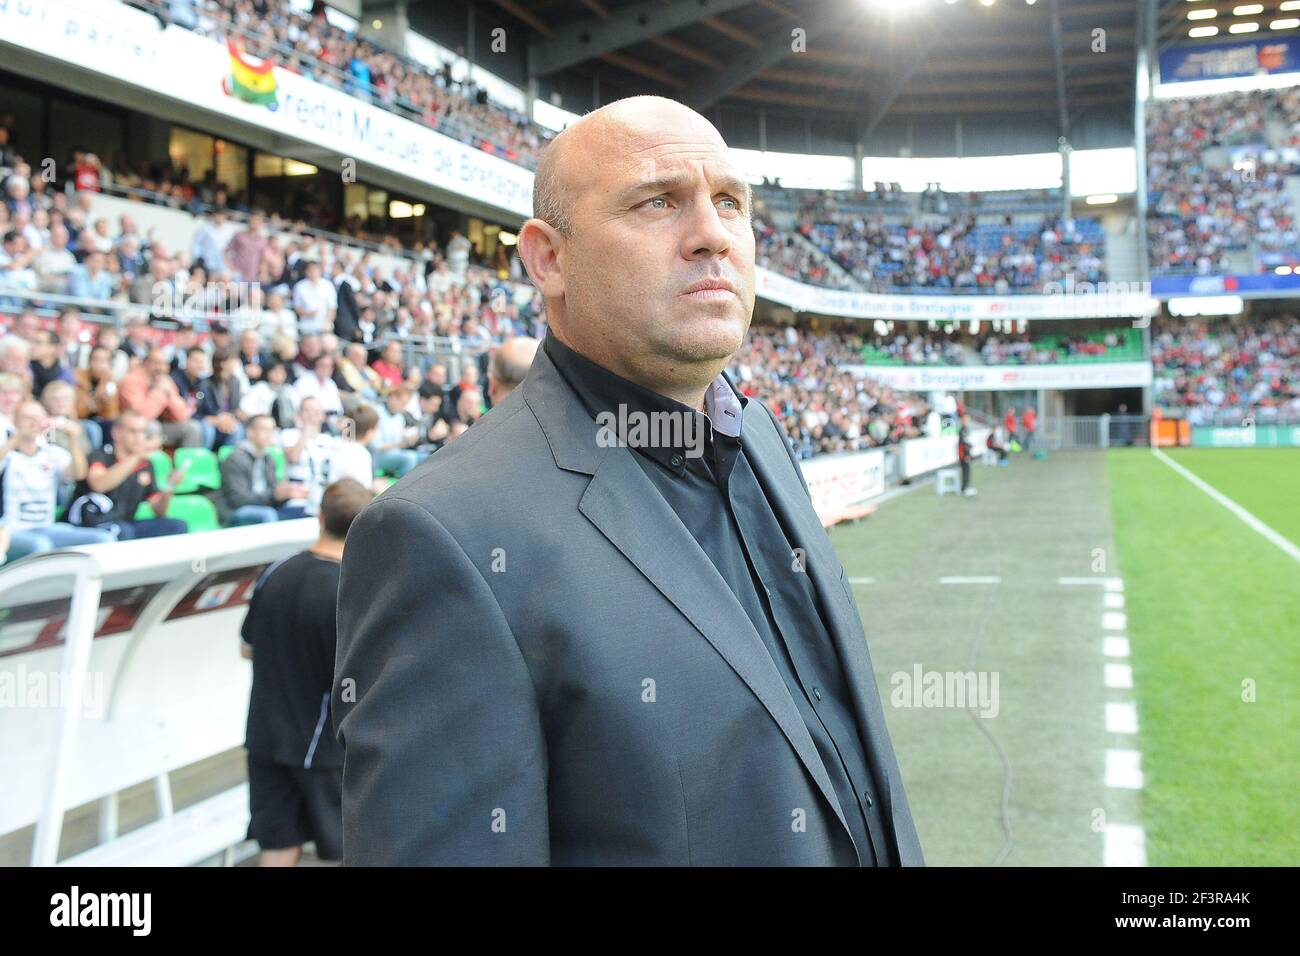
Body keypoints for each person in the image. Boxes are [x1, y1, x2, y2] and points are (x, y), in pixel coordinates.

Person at [334, 95, 924, 866]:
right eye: (657, 202)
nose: (713, 234)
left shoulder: (764, 440)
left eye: (729, 203)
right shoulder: (443, 535)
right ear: (549, 258)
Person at [241, 478, 373, 866]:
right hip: (321, 748)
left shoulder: (274, 571)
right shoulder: (349, 589)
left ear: (320, 516)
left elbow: (246, 647)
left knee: (277, 846)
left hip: (264, 738)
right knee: (345, 853)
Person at [1, 399, 112, 560]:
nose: (34, 423)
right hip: (11, 530)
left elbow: (78, 474)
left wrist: (73, 439)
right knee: (40, 546)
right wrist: (16, 438)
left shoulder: (52, 453)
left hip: (45, 526)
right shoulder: (8, 454)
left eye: (38, 418)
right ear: (15, 420)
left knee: (103, 539)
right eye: (27, 418)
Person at [66, 410, 190, 540]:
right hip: (92, 523)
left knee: (177, 526)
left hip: (124, 523)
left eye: (143, 432)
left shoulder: (145, 464)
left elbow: (159, 511)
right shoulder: (101, 455)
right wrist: (136, 456)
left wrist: (170, 487)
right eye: (133, 431)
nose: (139, 437)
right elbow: (99, 484)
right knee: (125, 531)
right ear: (117, 433)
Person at [217, 414, 311, 525]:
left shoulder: (268, 458)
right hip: (236, 511)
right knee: (268, 514)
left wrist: (287, 494)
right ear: (250, 432)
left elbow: (273, 491)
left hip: (266, 507)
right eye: (265, 429)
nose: (270, 434)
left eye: (272, 430)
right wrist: (275, 495)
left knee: (306, 510)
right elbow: (239, 500)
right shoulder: (235, 459)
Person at [957, 413, 977, 497]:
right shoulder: (962, 429)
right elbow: (963, 444)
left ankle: (966, 487)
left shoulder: (966, 429)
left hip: (966, 454)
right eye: (965, 419)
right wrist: (966, 455)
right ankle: (964, 489)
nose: (967, 420)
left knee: (967, 471)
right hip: (963, 455)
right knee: (965, 471)